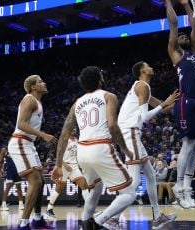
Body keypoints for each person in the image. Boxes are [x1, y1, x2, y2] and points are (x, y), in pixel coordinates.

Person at [51, 66, 136, 229]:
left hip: (82, 151)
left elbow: (64, 134)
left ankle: (85, 221)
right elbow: (112, 125)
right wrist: (126, 150)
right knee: (129, 193)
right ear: (100, 80)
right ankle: (98, 221)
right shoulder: (109, 96)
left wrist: (57, 164)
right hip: (100, 147)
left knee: (95, 187)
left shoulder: (77, 103)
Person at [106, 61, 178, 229]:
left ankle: (157, 217)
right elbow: (145, 117)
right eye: (148, 65)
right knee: (134, 182)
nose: (151, 67)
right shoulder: (142, 86)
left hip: (131, 134)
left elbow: (164, 107)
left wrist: (177, 101)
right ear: (142, 71)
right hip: (130, 133)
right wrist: (163, 104)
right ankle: (112, 218)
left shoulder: (143, 88)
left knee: (151, 175)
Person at [166, 0, 195, 209]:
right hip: (186, 101)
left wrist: (187, 5)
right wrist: (168, 2)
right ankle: (179, 185)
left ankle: (187, 188)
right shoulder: (176, 54)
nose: (183, 36)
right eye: (180, 36)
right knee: (188, 144)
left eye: (185, 36)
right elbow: (174, 25)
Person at [7, 75, 58, 230]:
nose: (44, 83)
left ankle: (37, 219)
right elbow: (21, 124)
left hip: (28, 143)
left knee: (40, 182)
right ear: (33, 87)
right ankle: (23, 224)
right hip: (20, 141)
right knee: (35, 181)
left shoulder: (37, 102)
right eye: (41, 81)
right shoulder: (29, 99)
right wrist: (43, 135)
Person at [46, 129, 89, 219]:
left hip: (74, 166)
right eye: (71, 128)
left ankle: (89, 209)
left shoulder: (77, 140)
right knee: (59, 188)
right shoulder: (65, 140)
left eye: (74, 128)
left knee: (84, 185)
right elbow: (59, 154)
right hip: (64, 166)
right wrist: (65, 165)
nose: (73, 130)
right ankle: (49, 209)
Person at [0, 147, 24, 211]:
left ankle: (21, 204)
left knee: (19, 187)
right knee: (8, 186)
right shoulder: (4, 149)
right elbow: (0, 161)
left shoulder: (18, 148)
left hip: (17, 169)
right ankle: (3, 205)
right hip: (9, 170)